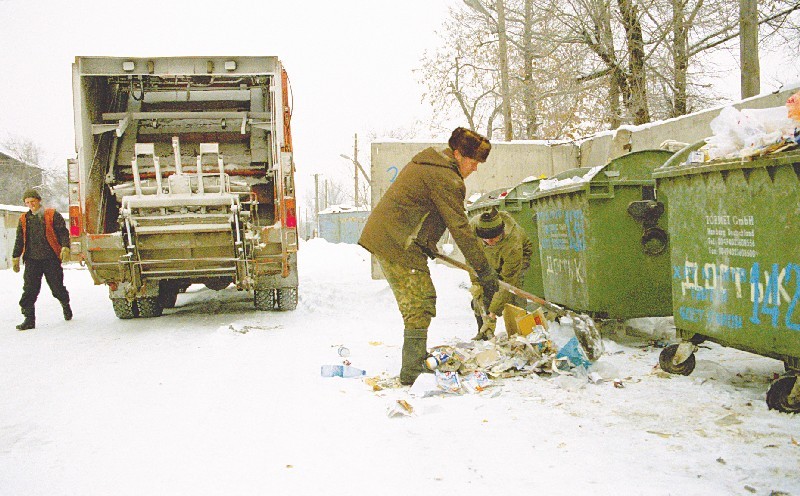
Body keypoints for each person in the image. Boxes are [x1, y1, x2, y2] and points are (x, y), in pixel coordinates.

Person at [359, 127, 500, 385]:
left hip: (399, 238)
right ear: (457, 154)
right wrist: (484, 270)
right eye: (473, 161)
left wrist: (427, 242)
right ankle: (412, 369)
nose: (476, 168)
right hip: (396, 242)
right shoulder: (445, 177)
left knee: (421, 298)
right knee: (420, 299)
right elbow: (460, 229)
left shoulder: (434, 166)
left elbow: (424, 209)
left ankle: (415, 360)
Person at [468, 207, 535, 340]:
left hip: (516, 261)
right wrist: (476, 283)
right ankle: (483, 333)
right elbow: (471, 257)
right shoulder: (472, 229)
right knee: (481, 295)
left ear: (502, 233)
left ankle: (520, 335)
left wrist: (492, 315)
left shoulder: (513, 243)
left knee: (513, 297)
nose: (490, 242)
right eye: (486, 240)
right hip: (489, 261)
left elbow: (507, 282)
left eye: (494, 239)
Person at [11, 189, 72, 331]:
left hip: (50, 258)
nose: (30, 205)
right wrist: (16, 256)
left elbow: (63, 232)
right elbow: (19, 239)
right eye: (27, 203)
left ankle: (65, 304)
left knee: (57, 288)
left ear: (39, 200)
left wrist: (65, 247)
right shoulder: (23, 219)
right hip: (32, 260)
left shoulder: (51, 215)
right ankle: (29, 319)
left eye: (32, 201)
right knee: (29, 290)